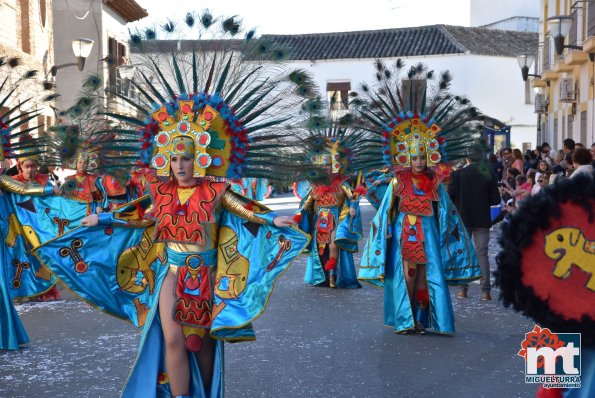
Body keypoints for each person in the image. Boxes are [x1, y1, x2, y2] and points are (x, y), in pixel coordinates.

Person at [32, 14, 317, 397]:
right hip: (172, 273)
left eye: (186, 158)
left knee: (204, 347)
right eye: (174, 159)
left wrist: (276, 218)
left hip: (209, 276)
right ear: (166, 159)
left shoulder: (216, 191)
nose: (179, 165)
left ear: (198, 158)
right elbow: (135, 215)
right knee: (172, 342)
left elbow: (247, 210)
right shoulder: (161, 192)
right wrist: (100, 216)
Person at [356, 59, 481, 335]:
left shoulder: (435, 182)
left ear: (429, 157)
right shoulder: (397, 180)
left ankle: (424, 318)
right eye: (414, 156)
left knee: (426, 275)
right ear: (406, 157)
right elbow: (386, 208)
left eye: (423, 156)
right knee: (407, 274)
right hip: (405, 231)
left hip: (428, 232)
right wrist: (386, 231)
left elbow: (447, 212)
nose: (419, 161)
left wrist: (448, 235)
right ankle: (408, 318)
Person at [294, 121, 371, 289]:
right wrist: (299, 214)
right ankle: (322, 274)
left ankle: (333, 273)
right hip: (319, 220)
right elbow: (307, 202)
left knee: (334, 244)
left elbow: (353, 195)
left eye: (329, 165)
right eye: (323, 166)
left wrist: (352, 205)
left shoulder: (341, 184)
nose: (326, 169)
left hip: (336, 217)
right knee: (320, 248)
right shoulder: (315, 186)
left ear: (336, 165)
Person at [449, 157, 501, 301]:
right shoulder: (488, 174)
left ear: (467, 158)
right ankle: (485, 291)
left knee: (464, 253)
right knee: (482, 253)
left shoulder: (458, 175)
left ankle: (463, 289)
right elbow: (496, 200)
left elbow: (450, 196)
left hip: (463, 218)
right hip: (482, 219)